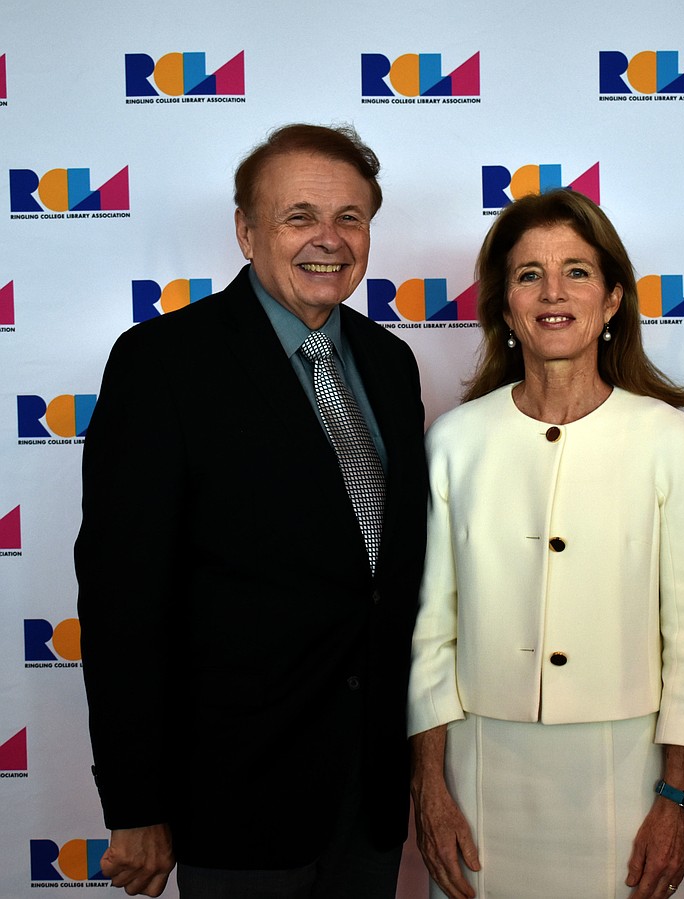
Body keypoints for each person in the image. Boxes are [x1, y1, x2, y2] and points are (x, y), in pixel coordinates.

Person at [76, 123, 428, 899]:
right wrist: (135, 802)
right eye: (298, 216)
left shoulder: (389, 363)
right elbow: (121, 601)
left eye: (350, 218)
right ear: (246, 230)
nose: (327, 240)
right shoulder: (162, 363)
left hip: (369, 797)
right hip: (234, 794)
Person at [407, 188, 684, 899]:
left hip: (623, 772)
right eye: (529, 274)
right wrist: (429, 787)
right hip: (480, 769)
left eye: (577, 271)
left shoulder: (665, 437)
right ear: (506, 305)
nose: (553, 292)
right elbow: (429, 631)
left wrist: (678, 800)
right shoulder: (455, 440)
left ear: (612, 299)